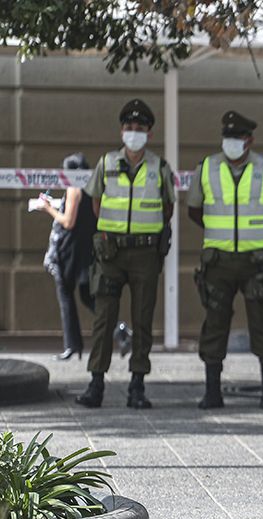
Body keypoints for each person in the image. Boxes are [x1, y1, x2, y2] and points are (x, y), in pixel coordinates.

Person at [187, 111, 263, 410]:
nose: (231, 143)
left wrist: (258, 230)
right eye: (227, 137)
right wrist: (218, 230)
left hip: (257, 261)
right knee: (214, 324)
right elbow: (194, 210)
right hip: (218, 261)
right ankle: (212, 392)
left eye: (238, 138)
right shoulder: (206, 168)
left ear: (249, 140)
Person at [76, 99, 176, 409]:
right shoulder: (106, 163)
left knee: (142, 319)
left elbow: (168, 206)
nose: (134, 133)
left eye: (140, 129)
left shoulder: (159, 167)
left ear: (149, 132)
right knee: (104, 319)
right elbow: (96, 203)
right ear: (122, 130)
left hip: (146, 253)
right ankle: (96, 384)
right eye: (129, 128)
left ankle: (137, 385)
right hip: (111, 253)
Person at [38, 153, 97, 361]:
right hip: (85, 248)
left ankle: (72, 345)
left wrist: (47, 209)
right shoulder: (91, 188)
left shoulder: (74, 189)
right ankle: (119, 328)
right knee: (88, 295)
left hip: (69, 250)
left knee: (65, 294)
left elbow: (68, 221)